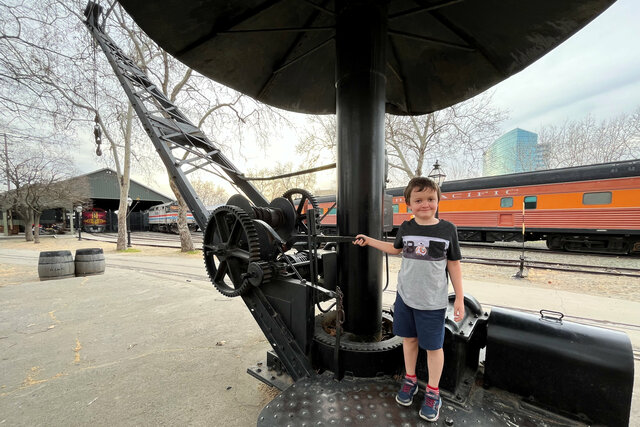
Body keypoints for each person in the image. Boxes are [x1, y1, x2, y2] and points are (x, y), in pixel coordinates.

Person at [353, 176, 464, 422]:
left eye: (430, 199)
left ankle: (433, 392)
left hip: (433, 303)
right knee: (409, 340)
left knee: (434, 348)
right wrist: (369, 240)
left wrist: (459, 299)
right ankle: (410, 379)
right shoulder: (407, 227)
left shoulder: (448, 230)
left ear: (437, 201)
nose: (425, 204)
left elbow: (454, 265)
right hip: (405, 299)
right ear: (408, 204)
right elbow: (395, 249)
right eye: (419, 200)